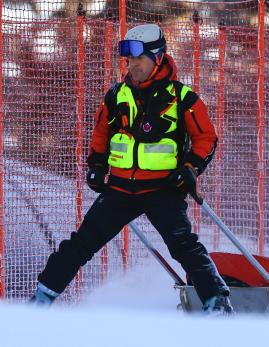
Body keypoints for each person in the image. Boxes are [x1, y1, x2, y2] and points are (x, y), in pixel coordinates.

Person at [31, 24, 233, 314]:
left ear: (158, 57)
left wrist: (191, 167)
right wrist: (97, 165)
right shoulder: (115, 96)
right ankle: (39, 302)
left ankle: (218, 303)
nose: (132, 64)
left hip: (163, 189)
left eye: (139, 58)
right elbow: (101, 135)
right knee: (80, 244)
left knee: (183, 247)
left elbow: (206, 137)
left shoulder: (182, 97)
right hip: (120, 189)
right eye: (129, 59)